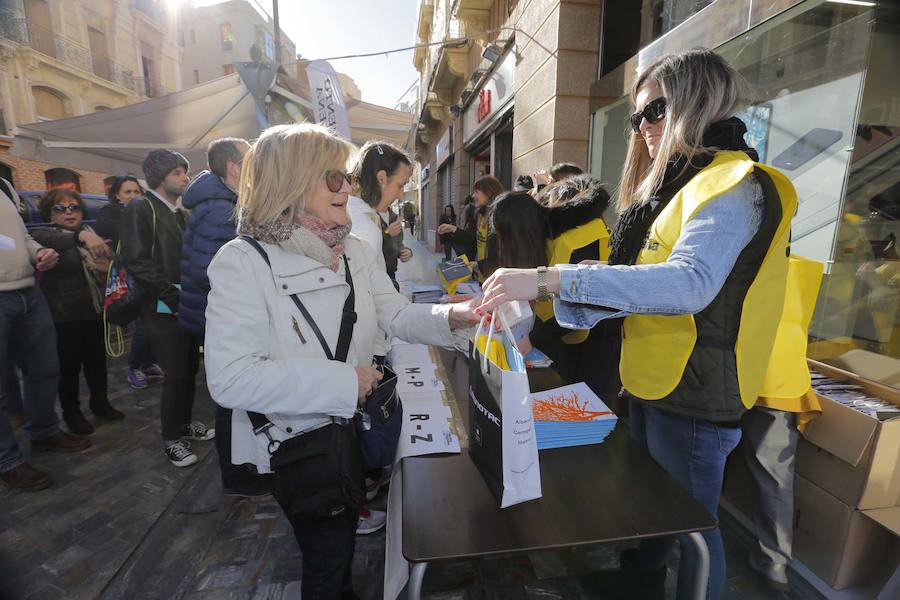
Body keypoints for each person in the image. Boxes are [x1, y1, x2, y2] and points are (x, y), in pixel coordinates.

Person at [477, 48, 797, 600]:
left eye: (655, 111)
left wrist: (552, 281)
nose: (644, 128)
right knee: (656, 513)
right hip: (654, 379)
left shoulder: (734, 186)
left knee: (696, 532)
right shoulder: (676, 188)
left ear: (698, 101)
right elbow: (647, 280)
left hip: (697, 392)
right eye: (637, 116)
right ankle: (642, 582)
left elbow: (687, 285)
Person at [203, 123, 479, 599]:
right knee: (327, 560)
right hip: (299, 440)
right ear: (290, 179)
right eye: (333, 177)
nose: (348, 187)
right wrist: (345, 382)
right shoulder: (242, 260)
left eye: (347, 176)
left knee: (339, 545)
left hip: (350, 427)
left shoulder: (351, 249)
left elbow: (394, 313)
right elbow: (231, 377)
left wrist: (458, 315)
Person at [178, 137, 270, 496]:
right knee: (233, 393)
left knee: (235, 393)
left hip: (211, 314)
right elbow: (211, 270)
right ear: (234, 168)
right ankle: (238, 476)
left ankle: (241, 469)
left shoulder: (223, 201)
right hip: (216, 318)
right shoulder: (221, 209)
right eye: (251, 161)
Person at [120, 150, 214, 468]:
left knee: (188, 370)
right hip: (161, 308)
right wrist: (171, 299)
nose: (185, 178)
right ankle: (171, 440)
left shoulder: (177, 212)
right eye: (177, 172)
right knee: (175, 374)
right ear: (160, 177)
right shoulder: (141, 207)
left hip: (180, 305)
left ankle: (183, 426)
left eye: (184, 172)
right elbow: (137, 261)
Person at [1, 182, 90, 491]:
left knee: (45, 369)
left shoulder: (4, 186)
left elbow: (21, 236)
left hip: (28, 290)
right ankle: (7, 461)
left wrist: (39, 251)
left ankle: (44, 430)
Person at [32, 189, 124, 435]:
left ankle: (100, 403)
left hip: (93, 311)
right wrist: (81, 236)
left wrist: (108, 265)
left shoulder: (92, 236)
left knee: (96, 363)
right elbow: (60, 243)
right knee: (69, 369)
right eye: (60, 208)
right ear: (49, 213)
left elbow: (113, 262)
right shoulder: (44, 235)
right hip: (63, 316)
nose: (69, 212)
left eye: (74, 207)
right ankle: (71, 412)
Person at [95, 175, 163, 390]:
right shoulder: (110, 213)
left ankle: (148, 362)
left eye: (136, 191)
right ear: (117, 195)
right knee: (142, 325)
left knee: (155, 321)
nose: (133, 196)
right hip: (130, 278)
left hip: (150, 275)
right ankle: (134, 367)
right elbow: (111, 229)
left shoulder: (146, 211)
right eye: (127, 192)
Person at [348, 141, 413, 290]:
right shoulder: (365, 229)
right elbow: (369, 298)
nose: (401, 194)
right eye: (400, 185)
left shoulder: (360, 215)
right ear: (382, 178)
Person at [436, 175, 503, 280]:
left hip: (495, 278)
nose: (472, 196)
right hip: (482, 276)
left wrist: (477, 264)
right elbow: (475, 240)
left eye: (476, 192)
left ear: (489, 193)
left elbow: (501, 255)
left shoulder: (499, 218)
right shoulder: (480, 215)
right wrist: (453, 229)